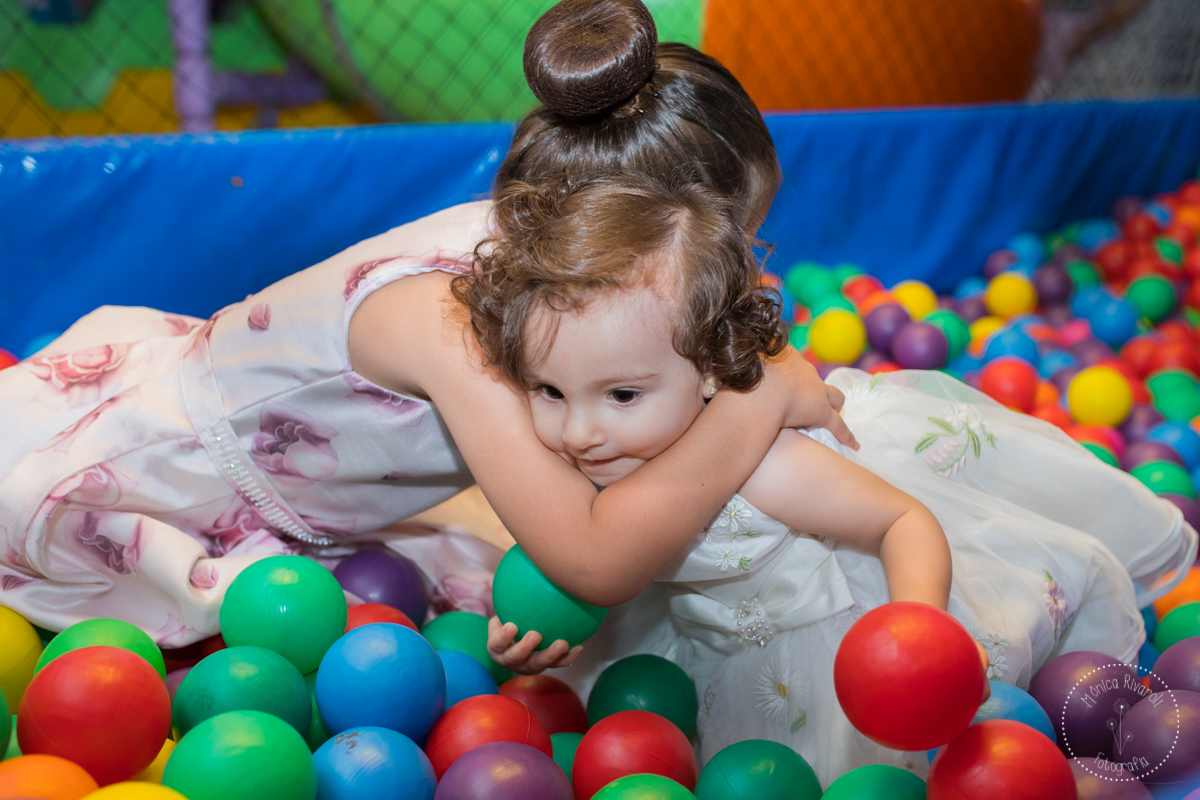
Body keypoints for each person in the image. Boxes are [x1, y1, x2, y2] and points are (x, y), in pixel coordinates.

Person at [0, 0, 854, 648]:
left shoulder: (569, 263)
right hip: (147, 484)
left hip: (320, 503)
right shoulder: (449, 325)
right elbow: (594, 560)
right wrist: (760, 400)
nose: (744, 279)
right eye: (733, 247)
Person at [471, 175, 1199, 785]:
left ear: (710, 374)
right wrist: (546, 639)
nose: (578, 432)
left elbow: (901, 522)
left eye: (621, 395)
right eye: (548, 391)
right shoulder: (596, 454)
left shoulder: (765, 469)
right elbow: (596, 570)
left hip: (833, 638)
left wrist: (920, 632)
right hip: (711, 640)